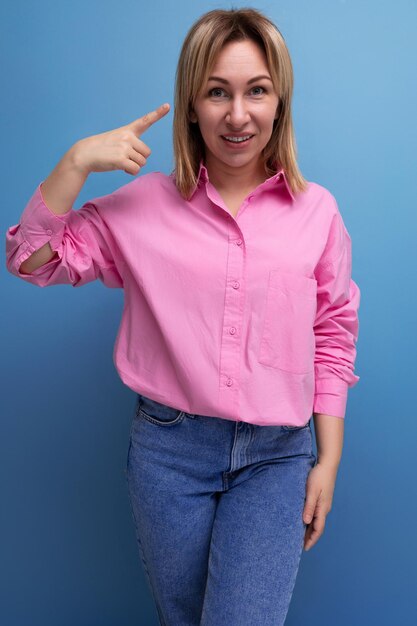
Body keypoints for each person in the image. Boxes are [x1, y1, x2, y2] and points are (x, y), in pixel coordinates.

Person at [5, 7, 360, 626]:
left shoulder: (318, 213)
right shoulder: (141, 207)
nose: (237, 113)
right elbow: (32, 261)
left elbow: (331, 334)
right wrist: (76, 162)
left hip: (277, 457)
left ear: (280, 102)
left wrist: (327, 460)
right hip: (170, 454)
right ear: (192, 104)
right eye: (216, 92)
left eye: (257, 91)